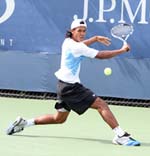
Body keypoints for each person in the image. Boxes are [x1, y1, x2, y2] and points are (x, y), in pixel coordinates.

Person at [6, 19, 140, 146]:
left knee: (59, 119)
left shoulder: (67, 42)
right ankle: (120, 136)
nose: (82, 33)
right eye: (79, 30)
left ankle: (24, 123)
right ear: (72, 31)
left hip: (62, 86)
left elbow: (80, 45)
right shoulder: (77, 48)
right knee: (101, 105)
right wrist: (122, 50)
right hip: (71, 87)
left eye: (84, 31)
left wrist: (94, 39)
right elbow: (100, 55)